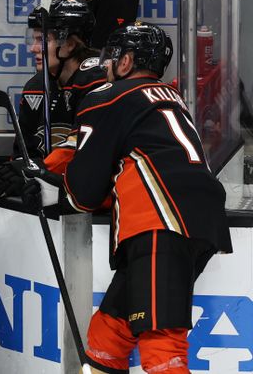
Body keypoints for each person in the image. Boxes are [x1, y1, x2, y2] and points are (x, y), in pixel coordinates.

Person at [21, 22, 232, 374]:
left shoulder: (108, 97)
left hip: (160, 223)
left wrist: (45, 187)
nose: (106, 65)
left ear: (126, 62)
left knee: (162, 346)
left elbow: (83, 194)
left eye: (112, 58)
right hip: (199, 221)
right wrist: (43, 169)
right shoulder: (169, 98)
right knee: (109, 332)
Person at [0, 0, 106, 198]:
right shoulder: (35, 87)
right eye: (33, 39)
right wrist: (22, 174)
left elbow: (89, 156)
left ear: (70, 44)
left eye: (43, 40)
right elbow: (24, 152)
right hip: (49, 190)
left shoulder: (97, 83)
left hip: (89, 199)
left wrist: (35, 171)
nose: (33, 48)